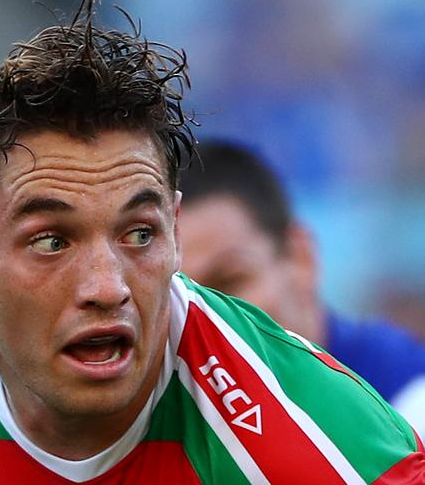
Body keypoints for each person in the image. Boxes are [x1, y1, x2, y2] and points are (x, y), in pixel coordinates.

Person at [0, 0, 424, 483]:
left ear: (174, 231)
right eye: (51, 240)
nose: (107, 287)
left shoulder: (315, 445)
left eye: (139, 234)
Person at [178, 139, 425, 436]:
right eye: (179, 298)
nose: (206, 318)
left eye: (230, 281)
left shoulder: (408, 414)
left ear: (300, 257)